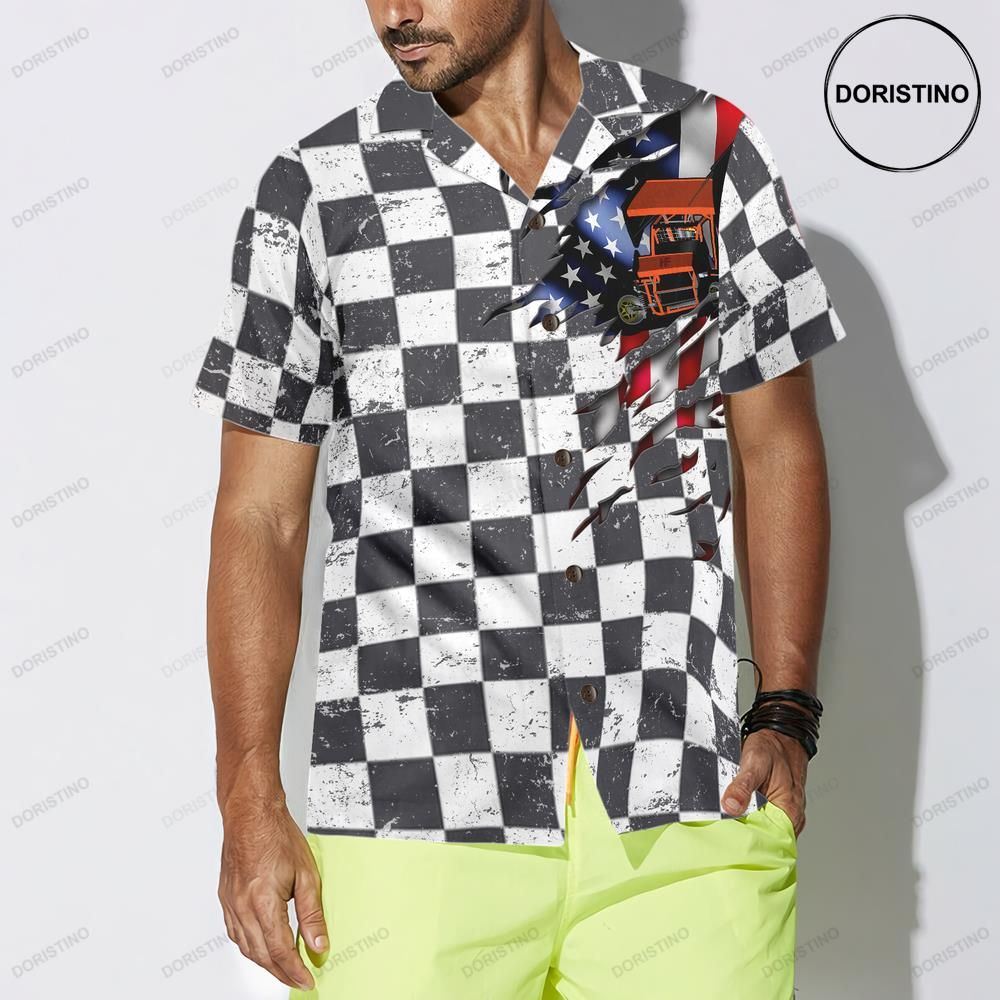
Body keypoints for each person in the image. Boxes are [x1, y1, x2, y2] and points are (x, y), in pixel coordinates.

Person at [188, 1, 845, 997]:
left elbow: (779, 441)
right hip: (408, 812)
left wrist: (787, 710)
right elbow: (260, 516)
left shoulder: (693, 153)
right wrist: (247, 797)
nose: (396, 12)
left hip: (686, 796)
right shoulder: (320, 189)